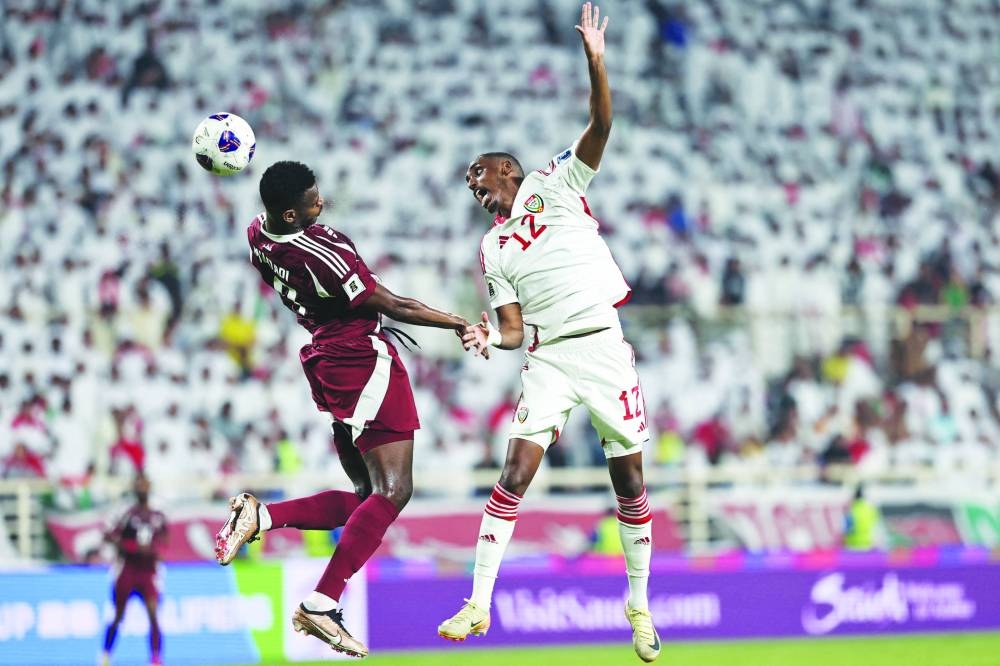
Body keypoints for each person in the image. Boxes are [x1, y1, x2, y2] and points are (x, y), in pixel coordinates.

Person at [439, 4, 660, 662]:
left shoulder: (553, 180)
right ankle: (479, 602)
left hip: (602, 343)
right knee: (515, 469)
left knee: (630, 483)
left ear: (508, 170)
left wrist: (595, 57)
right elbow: (511, 329)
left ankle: (640, 605)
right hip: (550, 358)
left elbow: (602, 124)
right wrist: (488, 337)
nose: (475, 187)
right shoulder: (492, 251)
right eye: (469, 186)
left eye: (479, 174)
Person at [214, 160, 485, 658]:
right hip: (359, 356)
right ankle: (322, 601)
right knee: (395, 490)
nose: (322, 203)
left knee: (368, 497)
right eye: (313, 200)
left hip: (325, 360)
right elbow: (393, 304)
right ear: (292, 214)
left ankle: (263, 516)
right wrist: (457, 323)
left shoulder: (258, 235)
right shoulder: (322, 254)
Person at [101, 475, 168, 666]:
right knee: (118, 615)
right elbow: (109, 535)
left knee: (153, 613)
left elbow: (166, 539)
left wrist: (155, 550)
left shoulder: (158, 514)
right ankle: (106, 655)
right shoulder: (126, 513)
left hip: (149, 570)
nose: (142, 488)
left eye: (145, 485)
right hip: (128, 568)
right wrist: (130, 546)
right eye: (139, 485)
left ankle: (156, 658)